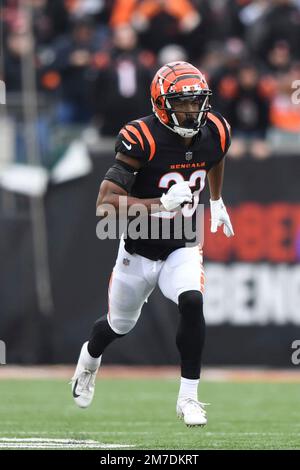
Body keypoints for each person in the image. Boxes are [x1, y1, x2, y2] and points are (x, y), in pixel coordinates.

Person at [71, 61, 234, 427]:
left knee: (192, 300)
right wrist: (159, 204)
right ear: (162, 104)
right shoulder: (141, 137)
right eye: (183, 103)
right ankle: (89, 361)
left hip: (182, 244)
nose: (192, 111)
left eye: (196, 102)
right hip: (138, 249)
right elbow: (105, 203)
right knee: (118, 325)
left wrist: (217, 199)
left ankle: (189, 398)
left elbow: (215, 158)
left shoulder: (217, 130)